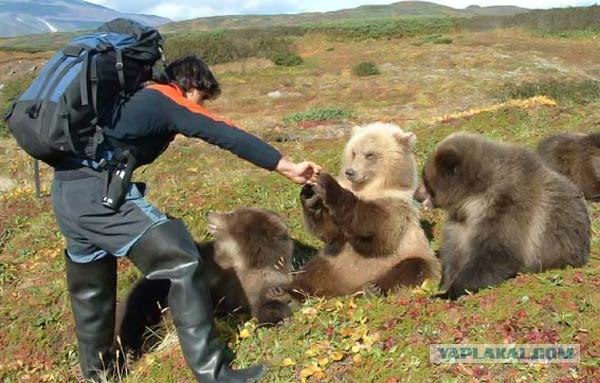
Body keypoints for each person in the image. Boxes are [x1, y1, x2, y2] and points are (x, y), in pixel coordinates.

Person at [51, 55, 320, 382]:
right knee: (182, 262)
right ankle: (214, 374)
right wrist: (285, 165)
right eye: (203, 98)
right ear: (191, 85)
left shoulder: (134, 100)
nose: (202, 105)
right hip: (99, 194)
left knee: (90, 289)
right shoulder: (164, 99)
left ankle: (98, 376)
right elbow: (221, 131)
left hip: (67, 193)